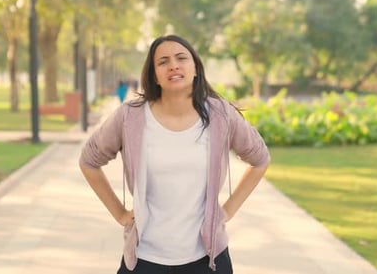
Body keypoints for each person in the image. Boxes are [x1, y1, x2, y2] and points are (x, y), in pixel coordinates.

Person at [79, 35, 270, 274]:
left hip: (206, 259)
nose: (173, 65)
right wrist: (120, 214)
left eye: (181, 58)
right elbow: (89, 161)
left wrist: (228, 210)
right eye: (163, 62)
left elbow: (260, 159)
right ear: (154, 75)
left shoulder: (220, 114)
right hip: (144, 259)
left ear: (195, 68)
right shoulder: (130, 117)